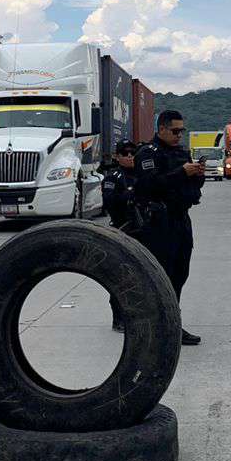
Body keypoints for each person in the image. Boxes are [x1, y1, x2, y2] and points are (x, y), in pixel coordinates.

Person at [133, 109, 205, 346]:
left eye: (181, 131)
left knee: (179, 273)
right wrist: (181, 172)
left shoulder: (182, 153)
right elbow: (149, 185)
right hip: (158, 222)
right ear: (161, 129)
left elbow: (190, 185)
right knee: (160, 275)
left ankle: (172, 323)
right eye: (174, 131)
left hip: (180, 218)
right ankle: (155, 326)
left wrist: (197, 174)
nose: (178, 136)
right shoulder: (147, 153)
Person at [102, 141, 143, 331]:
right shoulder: (114, 178)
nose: (129, 156)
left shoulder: (142, 175)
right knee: (121, 276)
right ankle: (118, 317)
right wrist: (129, 195)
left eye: (133, 153)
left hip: (143, 230)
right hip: (123, 230)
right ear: (117, 156)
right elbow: (109, 202)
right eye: (125, 153)